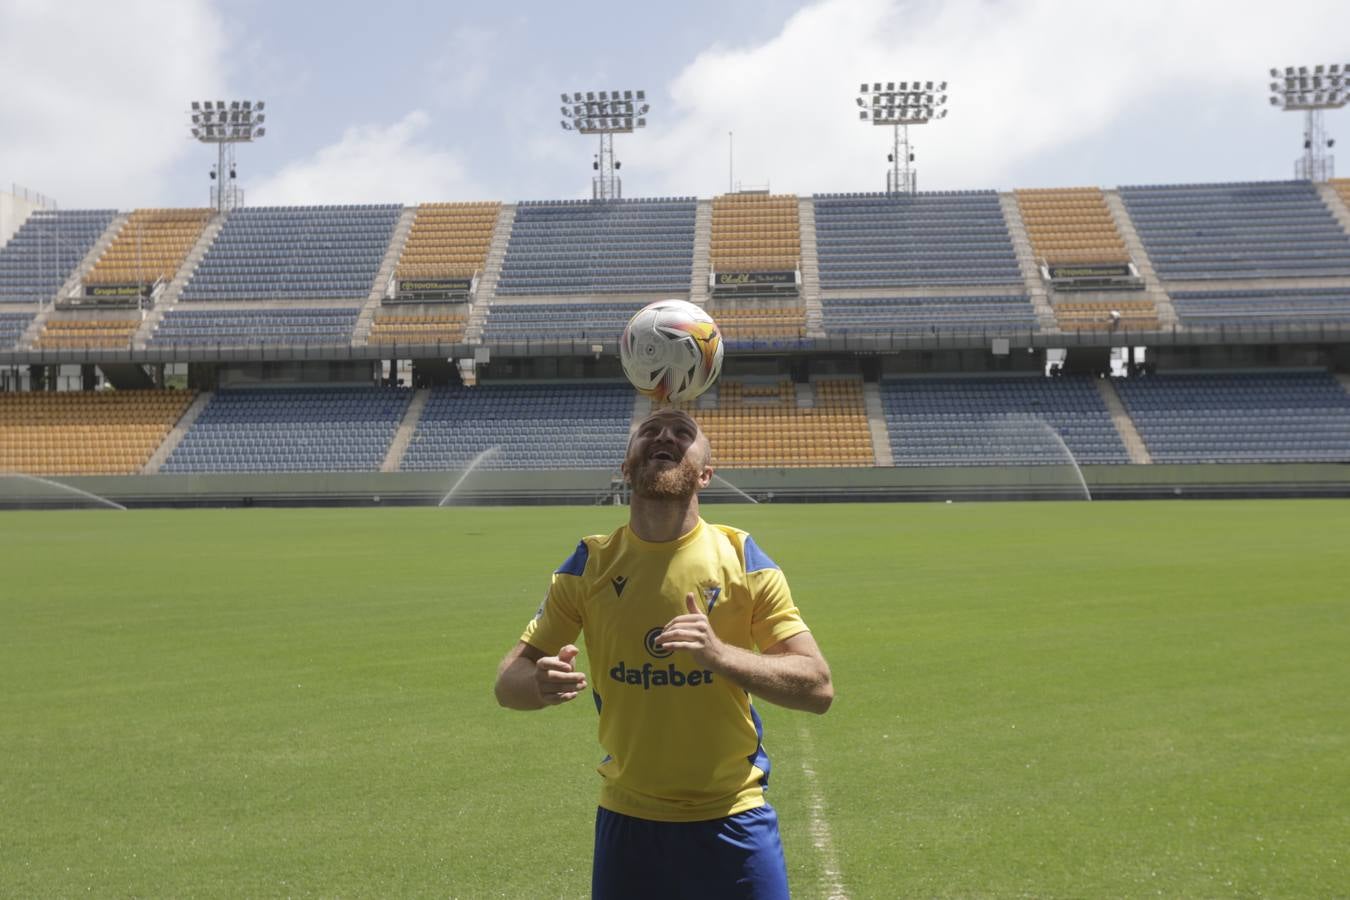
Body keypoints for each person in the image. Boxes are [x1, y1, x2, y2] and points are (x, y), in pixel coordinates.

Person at [494, 407, 834, 899]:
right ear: (627, 467)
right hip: (629, 820)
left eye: (683, 433)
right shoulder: (589, 565)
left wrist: (720, 655)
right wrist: (537, 685)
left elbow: (818, 687)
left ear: (706, 473)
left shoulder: (743, 558)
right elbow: (508, 683)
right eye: (649, 431)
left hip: (734, 818)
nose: (665, 436)